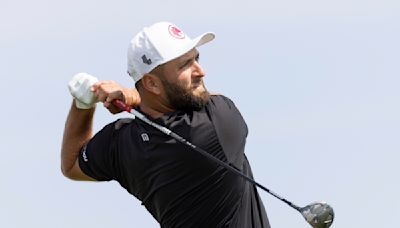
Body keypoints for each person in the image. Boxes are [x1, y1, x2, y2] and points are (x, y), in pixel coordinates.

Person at [61, 21, 271, 228]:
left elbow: (71, 166)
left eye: (196, 58)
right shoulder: (216, 123)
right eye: (185, 65)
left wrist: (83, 104)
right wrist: (132, 97)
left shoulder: (122, 145)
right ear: (151, 83)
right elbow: (213, 98)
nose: (200, 71)